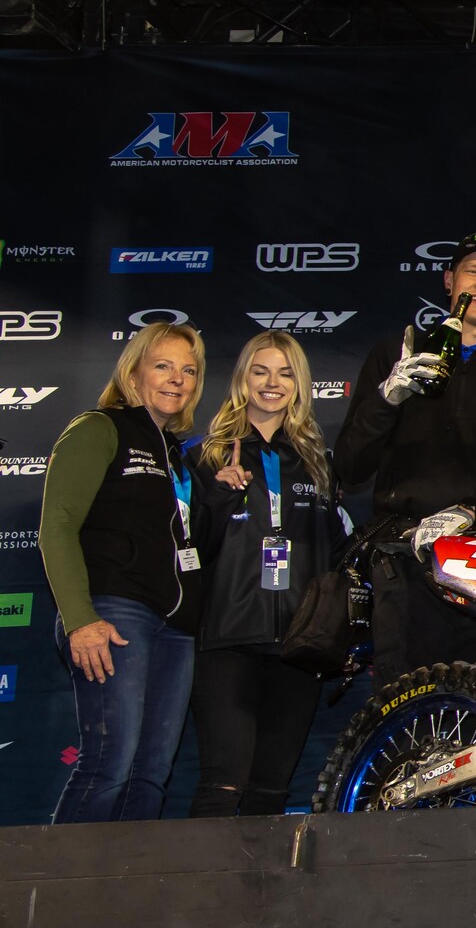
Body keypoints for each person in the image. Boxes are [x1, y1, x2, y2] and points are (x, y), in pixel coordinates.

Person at [334, 230, 476, 693]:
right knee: (403, 703)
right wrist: (384, 401)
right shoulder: (398, 354)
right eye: (473, 271)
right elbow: (350, 467)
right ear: (448, 280)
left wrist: (470, 511)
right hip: (404, 557)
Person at [41, 321, 207, 822]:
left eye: (188, 371)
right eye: (163, 366)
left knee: (150, 774)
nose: (177, 379)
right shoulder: (100, 428)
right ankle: (62, 873)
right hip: (113, 614)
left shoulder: (178, 454)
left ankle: (130, 875)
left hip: (176, 629)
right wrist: (80, 620)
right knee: (108, 764)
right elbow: (57, 527)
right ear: (133, 374)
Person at [188, 330, 350, 818]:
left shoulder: (318, 462)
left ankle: (260, 875)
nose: (272, 383)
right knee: (223, 785)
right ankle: (200, 873)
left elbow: (333, 553)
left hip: (298, 647)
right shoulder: (205, 455)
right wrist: (219, 496)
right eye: (260, 371)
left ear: (299, 385)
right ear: (243, 379)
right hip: (228, 640)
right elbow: (189, 550)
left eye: (285, 373)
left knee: (270, 792)